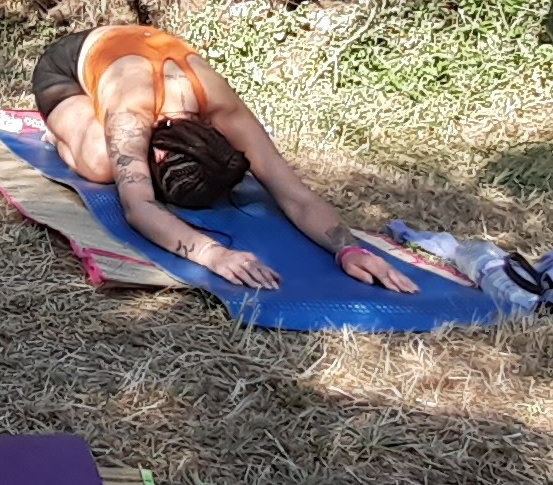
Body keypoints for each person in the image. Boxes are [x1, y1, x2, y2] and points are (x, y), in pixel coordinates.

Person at [31, 25, 416, 294]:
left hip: (132, 55)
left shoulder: (225, 111)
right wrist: (212, 254)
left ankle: (87, 122)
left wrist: (349, 249)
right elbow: (138, 207)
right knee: (102, 164)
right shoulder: (130, 119)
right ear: (160, 152)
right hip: (67, 68)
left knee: (116, 163)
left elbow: (296, 196)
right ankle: (61, 130)